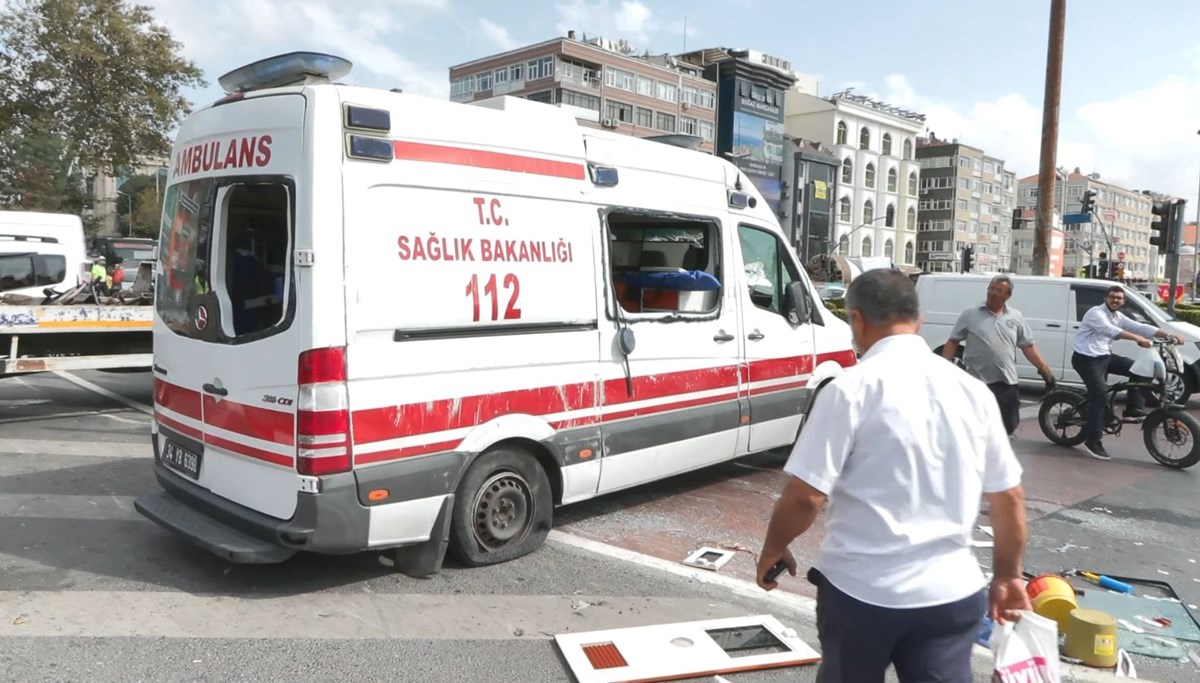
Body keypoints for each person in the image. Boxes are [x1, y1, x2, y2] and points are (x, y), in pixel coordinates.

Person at [756, 269, 1030, 683]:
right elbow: (1008, 497)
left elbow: (805, 497)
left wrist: (774, 547)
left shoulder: (850, 390)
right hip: (950, 595)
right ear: (918, 321)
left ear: (857, 321)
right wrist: (1008, 575)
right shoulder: (973, 392)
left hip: (861, 595)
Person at [1072, 285, 1183, 460]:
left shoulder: (1117, 316)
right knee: (1099, 397)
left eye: (1119, 298)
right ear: (1106, 298)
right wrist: (1138, 339)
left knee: (1138, 368)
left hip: (1104, 356)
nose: (1115, 300)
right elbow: (1112, 331)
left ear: (1123, 302)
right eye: (1112, 297)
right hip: (1087, 359)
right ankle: (1093, 441)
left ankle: (1132, 409)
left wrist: (1169, 335)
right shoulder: (1096, 313)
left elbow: (1140, 327)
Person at [942, 275, 1055, 437]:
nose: (992, 293)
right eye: (991, 288)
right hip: (977, 379)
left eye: (998, 290)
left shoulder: (1015, 317)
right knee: (974, 424)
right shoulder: (970, 314)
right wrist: (945, 366)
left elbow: (1028, 346)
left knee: (1010, 424)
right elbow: (953, 341)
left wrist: (1045, 370)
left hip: (1006, 380)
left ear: (1007, 296)